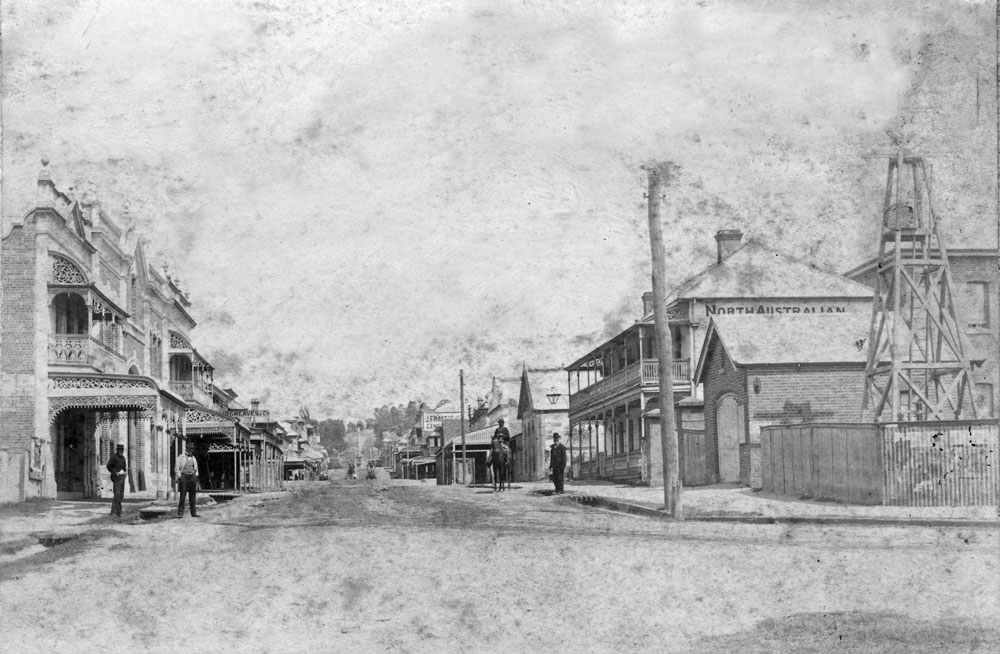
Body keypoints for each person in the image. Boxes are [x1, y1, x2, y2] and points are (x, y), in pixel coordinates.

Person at [175, 445, 199, 518]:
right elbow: (176, 468)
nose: (191, 450)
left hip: (192, 477)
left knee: (192, 496)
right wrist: (180, 477)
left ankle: (193, 513)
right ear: (186, 449)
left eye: (192, 449)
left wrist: (195, 476)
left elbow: (196, 469)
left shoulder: (194, 458)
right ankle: (180, 513)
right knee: (183, 496)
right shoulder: (181, 457)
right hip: (184, 477)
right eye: (189, 449)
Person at [106, 443, 127, 517]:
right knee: (116, 495)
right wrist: (115, 472)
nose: (121, 451)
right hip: (116, 479)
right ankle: (113, 512)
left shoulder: (123, 458)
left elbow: (124, 467)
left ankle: (119, 511)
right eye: (120, 450)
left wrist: (125, 472)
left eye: (122, 450)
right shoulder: (114, 457)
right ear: (117, 450)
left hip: (122, 478)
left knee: (121, 496)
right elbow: (108, 466)